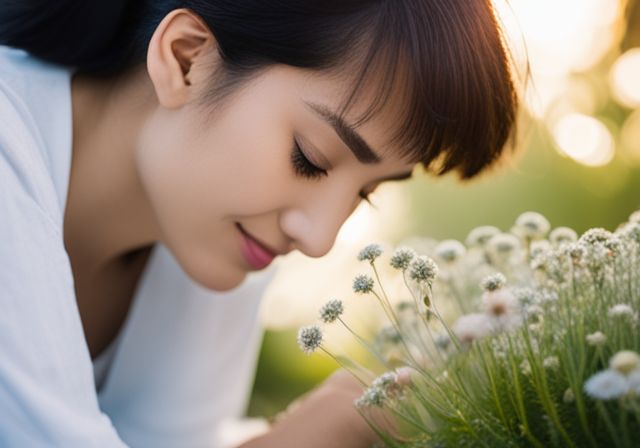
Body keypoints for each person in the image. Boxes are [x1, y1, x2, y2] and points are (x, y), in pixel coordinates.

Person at [0, 1, 519, 446]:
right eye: (310, 159)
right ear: (185, 58)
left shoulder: (218, 240)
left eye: (364, 193)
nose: (318, 239)